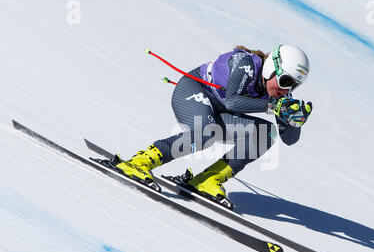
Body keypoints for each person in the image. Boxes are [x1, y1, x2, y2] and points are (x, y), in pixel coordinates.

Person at [113, 44, 313, 201]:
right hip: (194, 90)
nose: (286, 90)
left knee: (266, 133)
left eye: (294, 85)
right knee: (206, 133)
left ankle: (208, 179)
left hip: (218, 111)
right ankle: (139, 162)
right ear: (271, 68)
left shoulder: (278, 96)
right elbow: (232, 100)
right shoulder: (246, 64)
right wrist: (272, 107)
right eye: (285, 81)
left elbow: (289, 140)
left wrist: (295, 121)